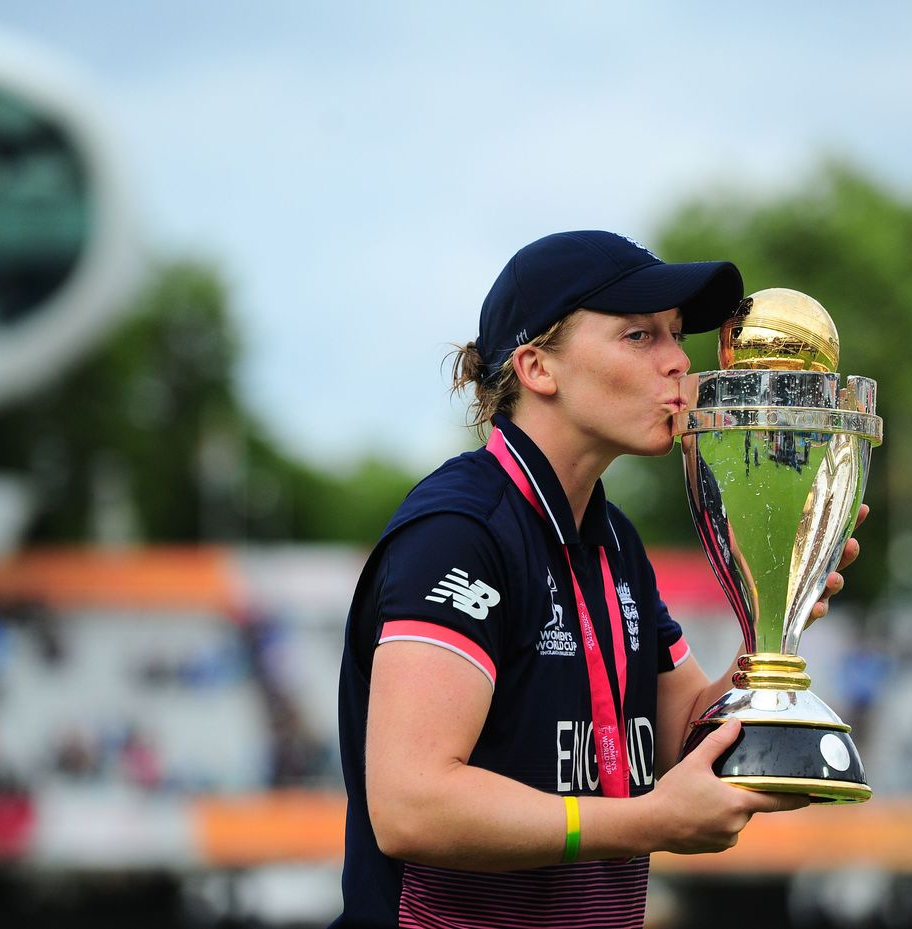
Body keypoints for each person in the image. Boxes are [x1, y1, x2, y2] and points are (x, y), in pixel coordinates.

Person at [333, 231, 864, 928]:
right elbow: (410, 805)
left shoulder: (613, 538)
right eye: (640, 336)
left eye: (676, 334)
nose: (679, 362)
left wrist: (771, 641)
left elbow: (689, 737)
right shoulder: (459, 533)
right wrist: (644, 821)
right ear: (537, 368)